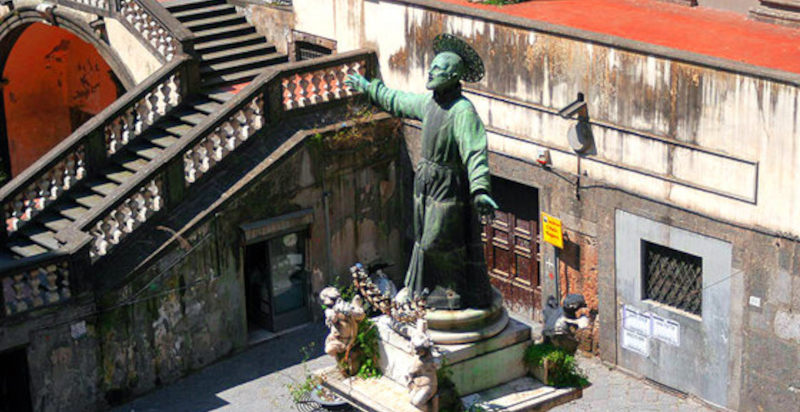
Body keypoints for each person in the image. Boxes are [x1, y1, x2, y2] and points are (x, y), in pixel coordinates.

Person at [346, 34, 497, 309]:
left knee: (436, 241)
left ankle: (454, 293)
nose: (431, 72)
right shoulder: (430, 103)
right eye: (432, 66)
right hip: (426, 185)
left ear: (453, 76)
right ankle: (431, 290)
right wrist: (369, 88)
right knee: (423, 240)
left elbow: (475, 151)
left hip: (448, 187)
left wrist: (480, 189)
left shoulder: (462, 111)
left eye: (438, 69)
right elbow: (397, 100)